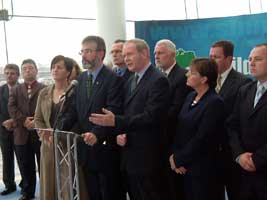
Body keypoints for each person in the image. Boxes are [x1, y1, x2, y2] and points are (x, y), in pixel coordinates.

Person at [89, 38, 171, 200]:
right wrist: (120, 131)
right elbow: (128, 114)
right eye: (124, 55)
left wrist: (116, 122)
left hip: (149, 158)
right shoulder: (130, 80)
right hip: (129, 156)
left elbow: (151, 117)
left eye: (130, 54)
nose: (125, 58)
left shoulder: (158, 80)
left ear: (144, 53)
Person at [58, 35, 124, 200]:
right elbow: (75, 110)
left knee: (109, 193)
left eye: (88, 51)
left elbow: (113, 111)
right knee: (92, 192)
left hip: (104, 148)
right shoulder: (79, 80)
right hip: (84, 148)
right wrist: (59, 128)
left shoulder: (113, 79)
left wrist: (96, 133)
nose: (83, 55)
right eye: (82, 51)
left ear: (101, 53)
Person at [169, 58, 225, 200]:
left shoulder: (214, 102)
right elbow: (179, 128)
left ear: (204, 79)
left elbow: (202, 138)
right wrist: (175, 157)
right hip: (183, 167)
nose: (187, 75)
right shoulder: (190, 96)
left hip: (203, 170)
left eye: (192, 73)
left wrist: (180, 159)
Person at [209, 40, 251, 200]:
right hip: (209, 152)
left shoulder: (243, 83)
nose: (211, 60)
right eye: (210, 56)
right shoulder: (206, 81)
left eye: (216, 57)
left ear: (229, 59)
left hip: (230, 152)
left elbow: (238, 120)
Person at [34, 55, 79, 200]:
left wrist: (62, 137)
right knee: (49, 184)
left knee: (69, 185)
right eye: (53, 67)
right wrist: (44, 135)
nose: (55, 70)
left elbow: (78, 119)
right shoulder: (44, 93)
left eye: (59, 67)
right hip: (48, 145)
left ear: (68, 72)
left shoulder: (74, 92)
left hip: (68, 146)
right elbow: (38, 119)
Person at [227, 43, 267, 200]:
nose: (251, 63)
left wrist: (257, 160)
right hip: (243, 175)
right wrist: (239, 155)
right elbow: (232, 125)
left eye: (258, 59)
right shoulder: (245, 90)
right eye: (250, 59)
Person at [154, 39, 191, 200]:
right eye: (155, 53)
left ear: (172, 54)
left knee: (175, 189)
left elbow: (176, 109)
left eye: (160, 53)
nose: (156, 56)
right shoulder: (155, 76)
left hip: (173, 139)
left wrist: (150, 120)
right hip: (158, 141)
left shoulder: (182, 76)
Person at [8, 59, 45, 200]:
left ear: (36, 70)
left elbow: (46, 108)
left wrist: (35, 121)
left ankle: (47, 191)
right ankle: (28, 193)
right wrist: (24, 120)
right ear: (22, 73)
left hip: (40, 132)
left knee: (43, 165)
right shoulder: (16, 89)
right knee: (25, 165)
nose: (28, 70)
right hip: (21, 134)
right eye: (25, 69)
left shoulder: (44, 88)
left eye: (30, 68)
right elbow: (11, 107)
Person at [0, 64, 20, 196]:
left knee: (24, 159)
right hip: (3, 130)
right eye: (6, 73)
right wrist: (3, 122)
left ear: (18, 75)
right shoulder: (0, 90)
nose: (9, 75)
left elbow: (26, 110)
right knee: (7, 158)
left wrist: (14, 122)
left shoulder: (23, 89)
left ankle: (26, 183)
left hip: (20, 129)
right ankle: (9, 185)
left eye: (12, 73)